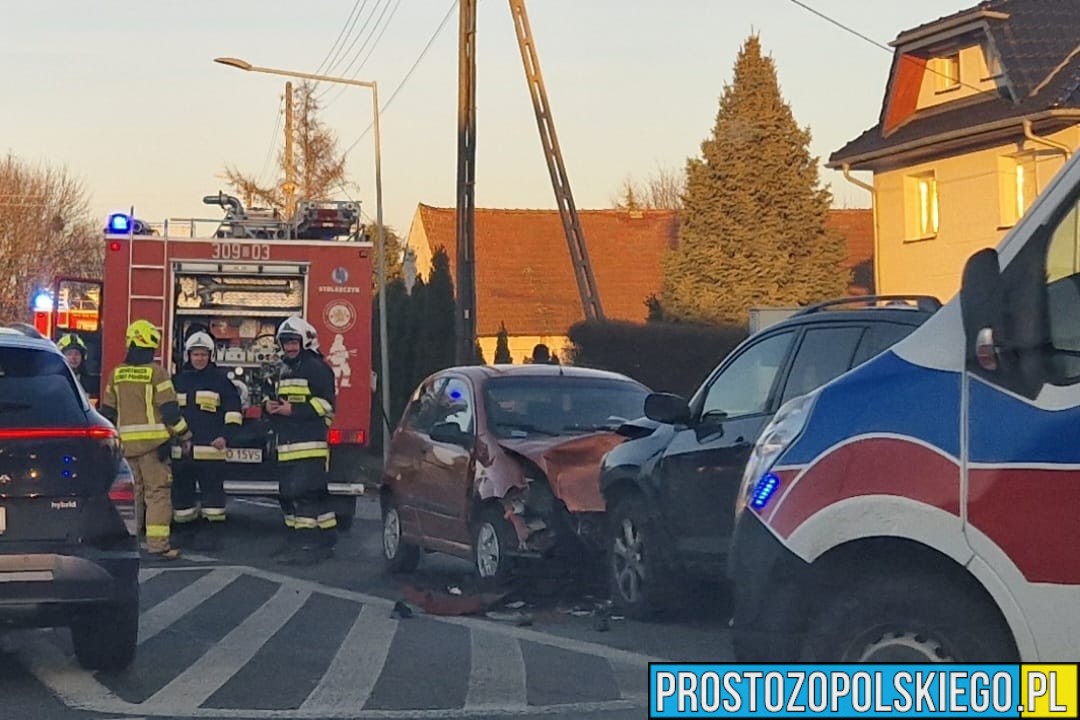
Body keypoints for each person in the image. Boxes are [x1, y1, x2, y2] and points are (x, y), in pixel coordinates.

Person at [100, 320, 192, 561]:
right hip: (155, 447)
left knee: (132, 496)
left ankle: (130, 543)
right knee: (158, 494)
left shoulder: (116, 374)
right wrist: (184, 435)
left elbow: (107, 413)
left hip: (125, 448)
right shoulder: (156, 373)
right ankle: (158, 545)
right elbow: (170, 410)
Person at [265, 316, 337, 565]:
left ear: (305, 341)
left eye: (294, 342)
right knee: (290, 495)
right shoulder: (285, 368)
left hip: (309, 445)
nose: (290, 347)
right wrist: (270, 407)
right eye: (286, 343)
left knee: (304, 495)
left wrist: (292, 411)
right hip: (287, 445)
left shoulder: (317, 368)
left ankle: (306, 546)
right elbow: (280, 399)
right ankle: (323, 538)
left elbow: (326, 404)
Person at [170, 331, 242, 551]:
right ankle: (184, 535)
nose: (199, 358)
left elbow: (233, 412)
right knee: (182, 497)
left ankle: (212, 537)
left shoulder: (220, 381)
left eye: (203, 354)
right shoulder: (178, 381)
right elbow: (168, 412)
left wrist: (225, 436)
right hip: (183, 451)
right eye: (196, 354)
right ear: (188, 355)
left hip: (211, 451)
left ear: (211, 356)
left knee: (213, 499)